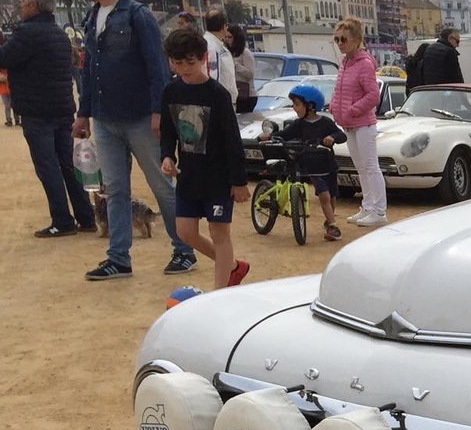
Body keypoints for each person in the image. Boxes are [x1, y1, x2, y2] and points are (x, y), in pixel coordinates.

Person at [74, 0, 196, 280]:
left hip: (141, 117)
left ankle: (184, 249)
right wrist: (83, 112)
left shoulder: (137, 16)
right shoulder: (92, 16)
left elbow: (157, 67)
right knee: (115, 189)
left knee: (160, 185)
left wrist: (158, 111)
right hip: (105, 118)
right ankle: (118, 258)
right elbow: (88, 70)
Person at [0, 0, 96, 237]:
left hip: (37, 112)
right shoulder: (56, 32)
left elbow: (4, 58)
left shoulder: (27, 33)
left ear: (32, 4)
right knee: (66, 164)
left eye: (22, 1)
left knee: (48, 167)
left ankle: (62, 221)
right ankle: (86, 217)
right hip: (62, 108)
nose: (20, 5)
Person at [158, 26, 249, 289]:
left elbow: (233, 139)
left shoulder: (218, 95)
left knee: (219, 234)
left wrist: (238, 180)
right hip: (189, 175)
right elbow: (167, 131)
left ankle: (220, 292)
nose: (184, 68)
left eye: (190, 62)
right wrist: (167, 156)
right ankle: (232, 266)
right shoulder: (170, 92)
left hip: (218, 178)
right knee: (185, 231)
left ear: (202, 59)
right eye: (177, 63)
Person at [268, 83, 346, 240]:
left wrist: (332, 138)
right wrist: (270, 136)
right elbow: (285, 134)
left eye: (297, 104)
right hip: (312, 166)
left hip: (328, 165)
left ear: (310, 106)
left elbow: (341, 134)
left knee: (331, 196)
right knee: (323, 195)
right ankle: (333, 226)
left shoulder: (325, 122)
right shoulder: (299, 125)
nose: (294, 108)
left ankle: (329, 220)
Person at [330, 16, 386, 228]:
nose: (340, 44)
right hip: (349, 123)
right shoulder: (345, 63)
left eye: (343, 39)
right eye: (337, 40)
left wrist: (352, 109)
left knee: (371, 166)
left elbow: (373, 95)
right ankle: (368, 205)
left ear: (356, 39)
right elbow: (340, 89)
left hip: (364, 123)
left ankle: (379, 210)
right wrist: (335, 107)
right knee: (361, 167)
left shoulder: (364, 64)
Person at [203, 10, 236, 98]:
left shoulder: (215, 44)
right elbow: (213, 77)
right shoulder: (212, 47)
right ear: (224, 26)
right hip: (219, 101)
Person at [228, 24, 255, 112]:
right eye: (226, 37)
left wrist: (236, 65)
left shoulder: (245, 53)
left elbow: (250, 74)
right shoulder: (229, 53)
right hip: (234, 92)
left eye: (230, 37)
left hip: (246, 94)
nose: (228, 40)